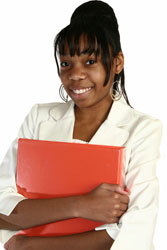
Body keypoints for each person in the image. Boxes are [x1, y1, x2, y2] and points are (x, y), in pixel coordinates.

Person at [0, 0, 162, 249]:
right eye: (66, 63)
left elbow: (134, 233)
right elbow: (2, 210)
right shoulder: (39, 118)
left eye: (90, 61)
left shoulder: (142, 129)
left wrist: (30, 245)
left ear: (117, 62)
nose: (75, 74)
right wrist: (82, 205)